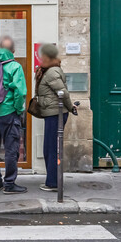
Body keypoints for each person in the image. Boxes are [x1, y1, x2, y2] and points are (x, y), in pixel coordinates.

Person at [0, 36, 27, 194]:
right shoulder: (14, 66)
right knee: (10, 149)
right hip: (7, 112)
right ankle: (9, 184)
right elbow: (20, 92)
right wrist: (17, 109)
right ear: (14, 51)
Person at [35, 43, 77, 191]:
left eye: (42, 55)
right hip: (52, 113)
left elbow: (63, 93)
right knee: (49, 148)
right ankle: (51, 181)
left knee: (52, 148)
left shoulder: (52, 72)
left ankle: (53, 183)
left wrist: (71, 107)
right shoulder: (49, 70)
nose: (40, 58)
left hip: (55, 114)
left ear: (48, 57)